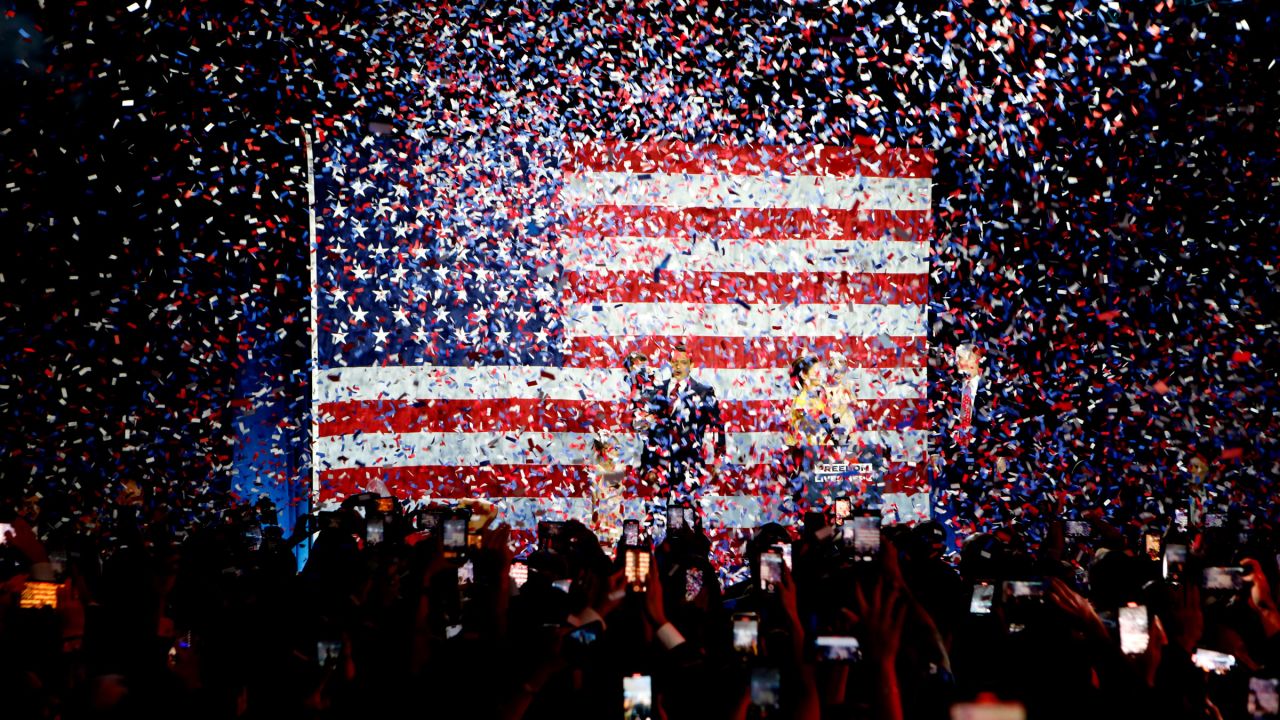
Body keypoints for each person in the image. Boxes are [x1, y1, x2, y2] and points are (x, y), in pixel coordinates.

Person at [656, 345, 725, 498]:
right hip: (661, 466)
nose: (678, 366)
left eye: (683, 362)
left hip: (691, 464)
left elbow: (717, 427)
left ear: (691, 365)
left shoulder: (703, 392)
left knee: (689, 515)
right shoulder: (658, 390)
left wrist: (718, 458)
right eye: (674, 362)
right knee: (661, 515)